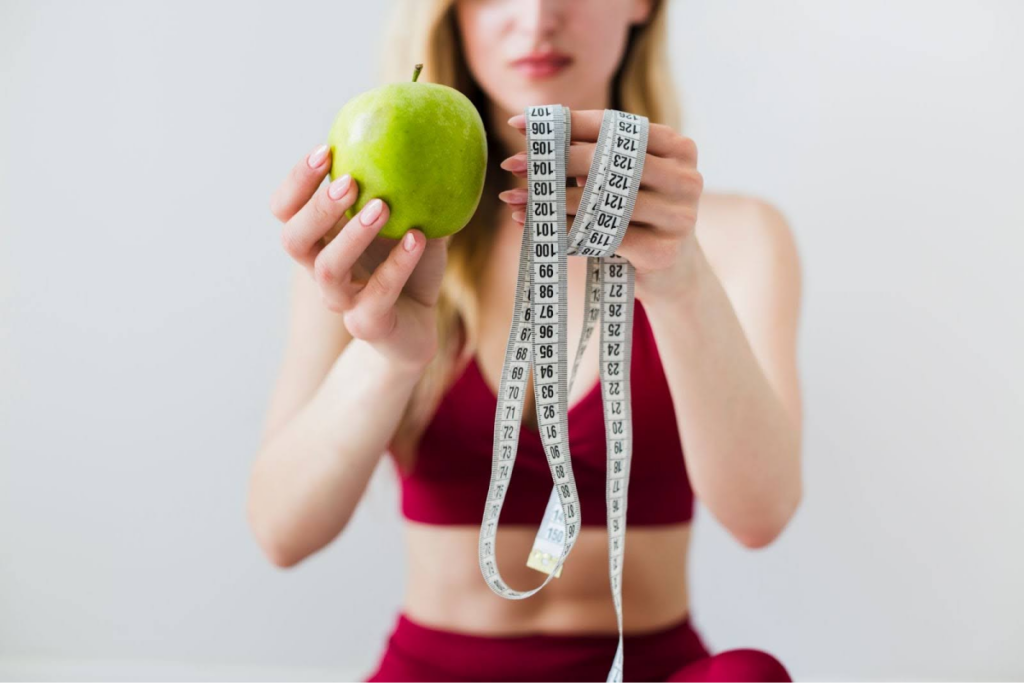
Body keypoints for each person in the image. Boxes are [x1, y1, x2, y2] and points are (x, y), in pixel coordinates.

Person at [248, 0, 803, 680]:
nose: (537, 16)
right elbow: (281, 532)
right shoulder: (371, 243)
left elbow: (761, 517)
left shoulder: (735, 238)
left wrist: (681, 281)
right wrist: (388, 355)